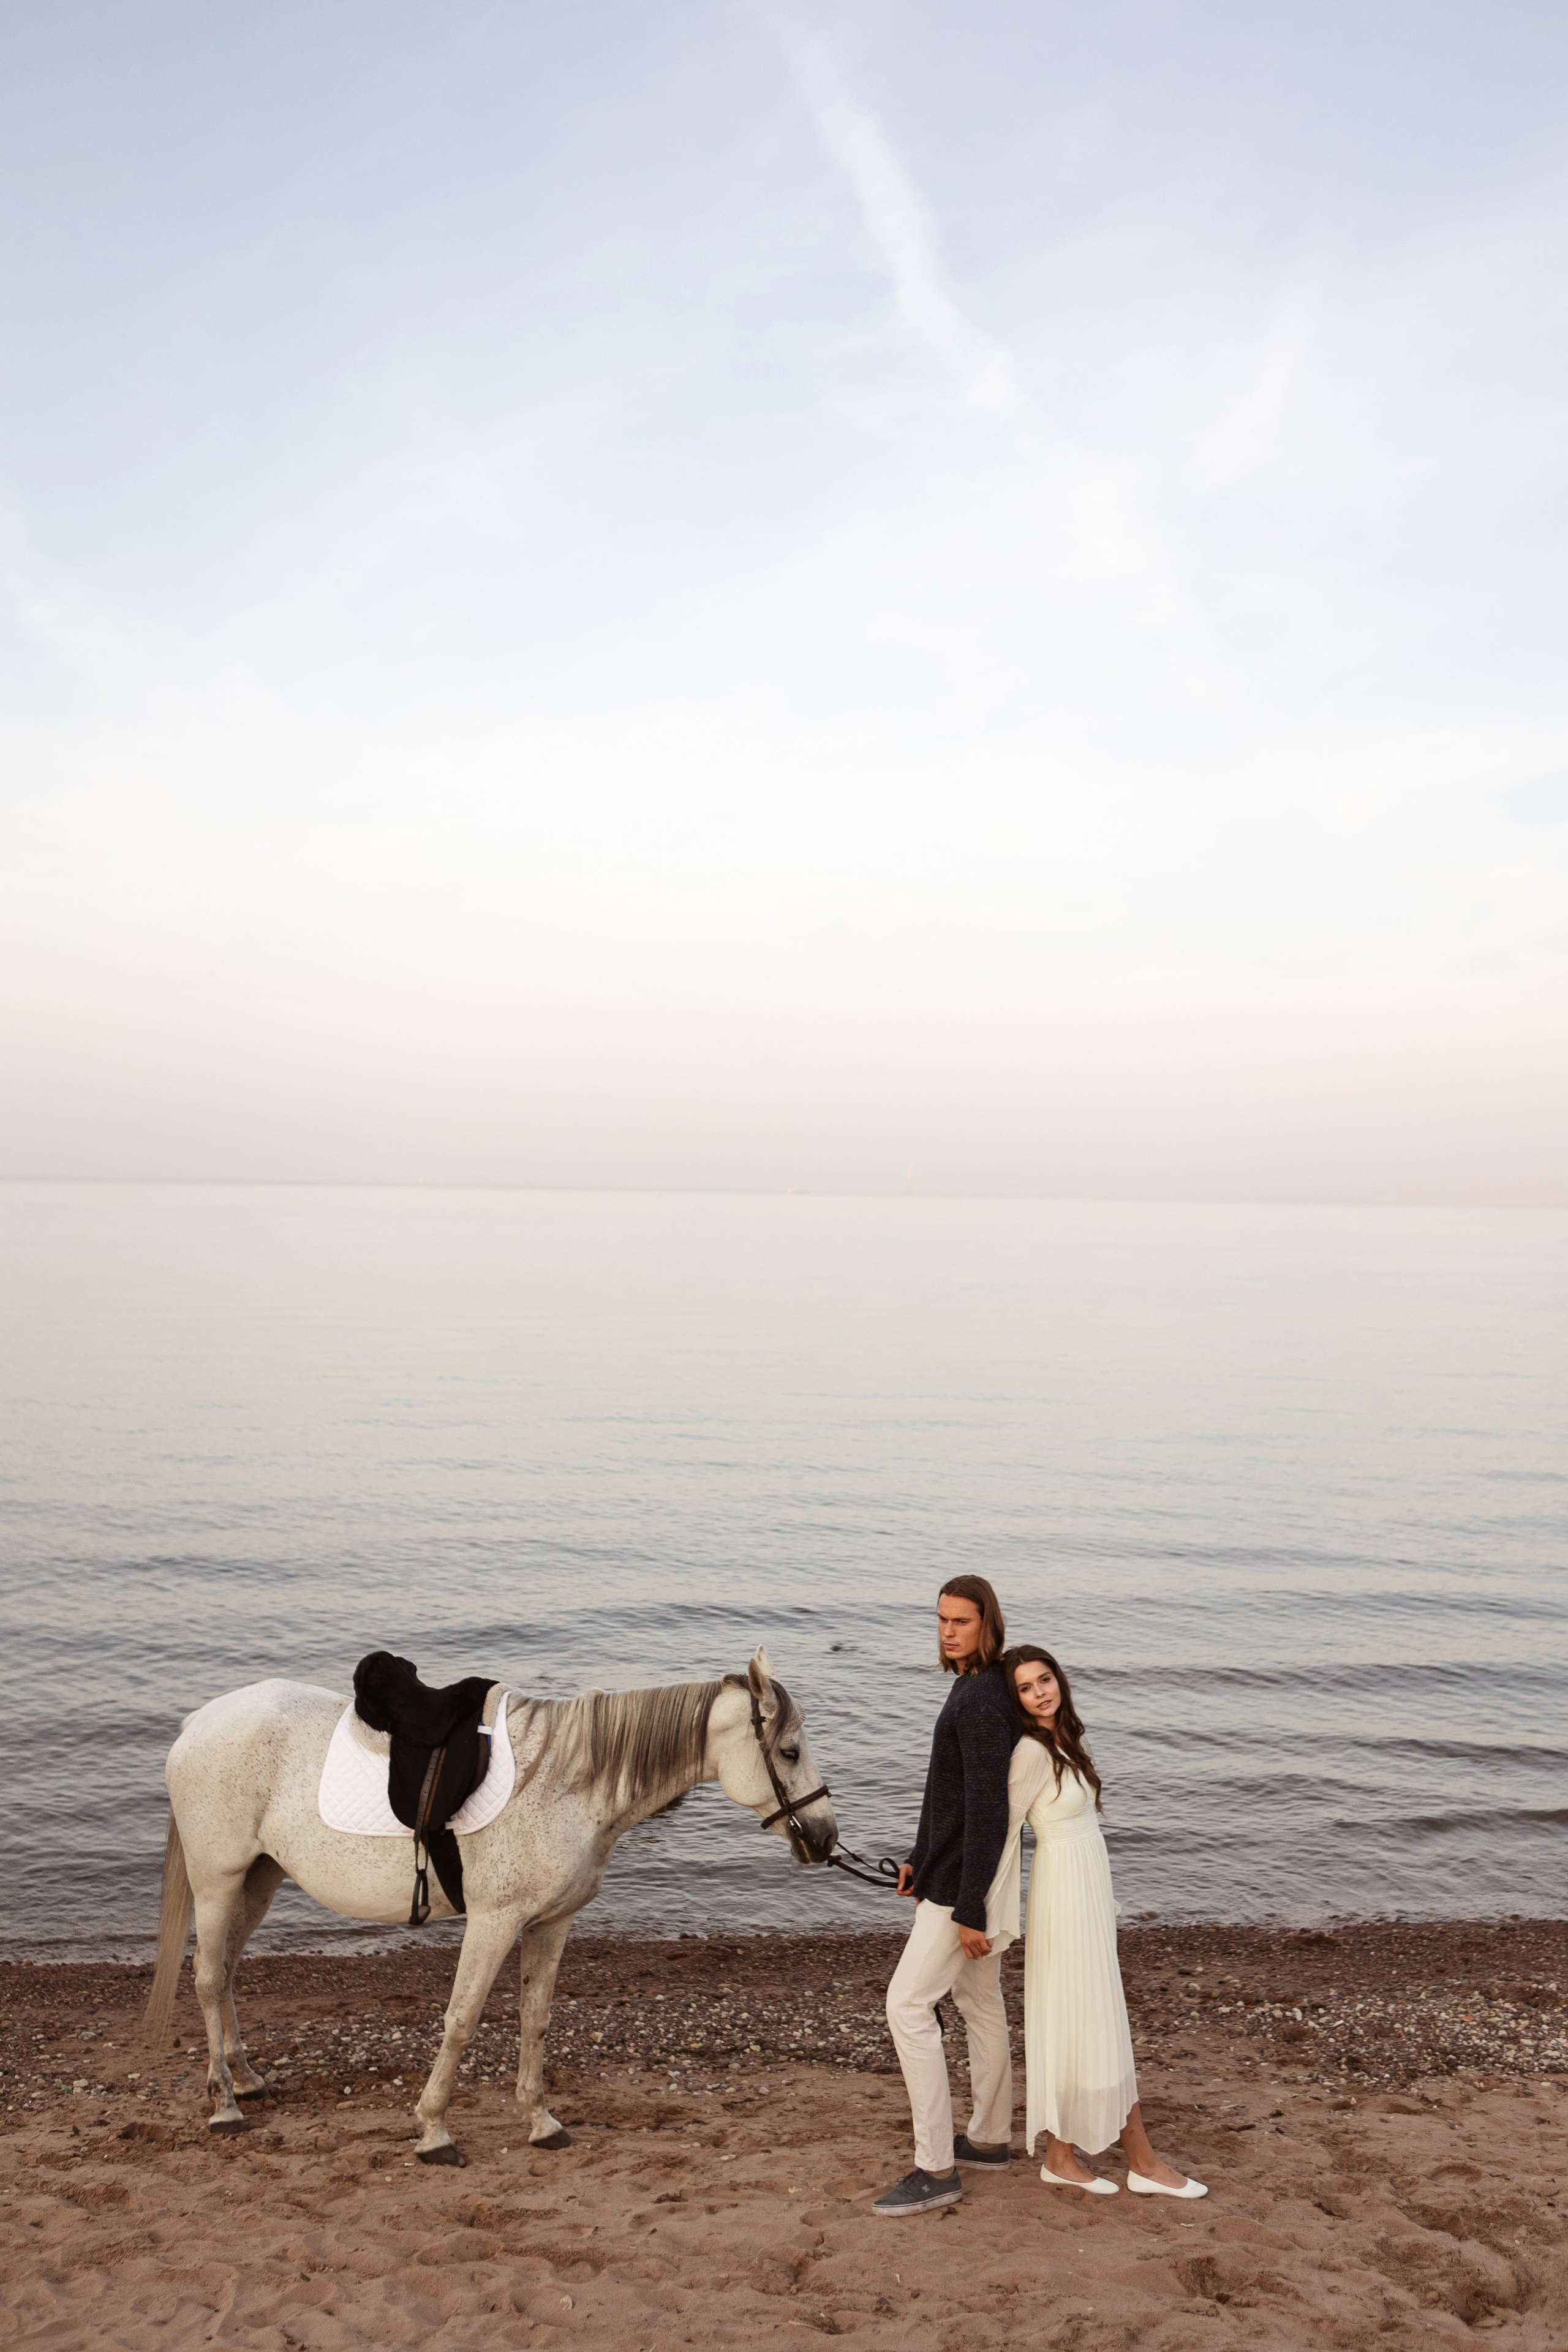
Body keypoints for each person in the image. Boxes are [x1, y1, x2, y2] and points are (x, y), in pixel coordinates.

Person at [990, 1644, 1207, 2199]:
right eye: (1026, 1688)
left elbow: (1085, 1830)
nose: (1040, 1692)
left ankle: (1062, 2156)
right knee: (1088, 2019)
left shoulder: (1064, 1741)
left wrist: (1103, 1902)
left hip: (1087, 1893)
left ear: (1059, 1680)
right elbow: (1002, 1833)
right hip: (1062, 1897)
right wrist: (981, 1912)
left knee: (1088, 2019)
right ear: (1015, 1699)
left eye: (1045, 1680)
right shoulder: (1031, 1753)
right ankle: (1140, 2162)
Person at [873, 1575, 1017, 2220]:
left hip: (966, 1886)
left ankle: (936, 2167)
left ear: (988, 1623)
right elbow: (948, 1796)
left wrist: (969, 1909)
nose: (949, 1631)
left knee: (907, 2006)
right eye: (941, 1620)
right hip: (959, 1874)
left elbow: (988, 1813)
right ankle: (989, 2137)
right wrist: (918, 1859)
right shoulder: (975, 1685)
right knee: (979, 2001)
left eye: (962, 1621)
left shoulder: (981, 1700)